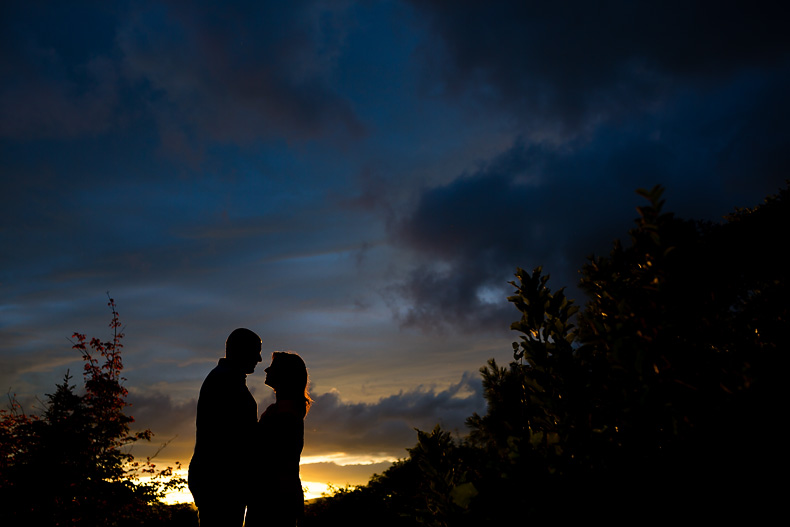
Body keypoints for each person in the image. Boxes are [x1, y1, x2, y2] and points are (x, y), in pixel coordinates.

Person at [188, 328, 263, 527]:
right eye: (256, 351)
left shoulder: (225, 378)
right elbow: (233, 437)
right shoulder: (225, 381)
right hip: (221, 484)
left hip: (219, 482)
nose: (260, 359)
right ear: (242, 350)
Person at [245, 351, 312, 527]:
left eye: (272, 367)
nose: (266, 369)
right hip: (275, 495)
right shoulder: (281, 411)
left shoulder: (285, 415)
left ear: (284, 374)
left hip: (273, 498)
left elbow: (270, 458)